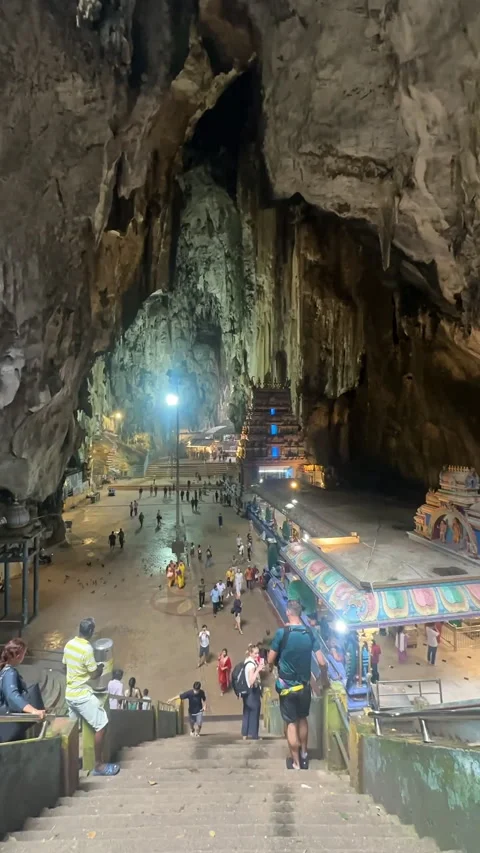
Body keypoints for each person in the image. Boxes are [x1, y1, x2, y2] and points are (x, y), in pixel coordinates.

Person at [268, 600, 329, 771]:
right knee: (303, 718)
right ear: (300, 613)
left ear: (288, 612)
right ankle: (304, 754)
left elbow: (270, 659)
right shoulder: (309, 633)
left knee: (291, 723)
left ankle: (295, 762)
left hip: (287, 687)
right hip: (304, 686)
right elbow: (322, 662)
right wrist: (323, 678)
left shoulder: (282, 633)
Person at [63, 618, 119, 775]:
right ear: (91, 632)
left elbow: (65, 666)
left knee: (72, 730)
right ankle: (99, 765)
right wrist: (101, 668)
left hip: (69, 694)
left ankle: (70, 766)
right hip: (81, 695)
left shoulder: (69, 644)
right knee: (101, 725)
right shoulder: (87, 649)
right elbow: (94, 675)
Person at [0, 638, 45, 743]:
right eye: (24, 654)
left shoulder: (2, 671)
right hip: (11, 726)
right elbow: (12, 695)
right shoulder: (10, 672)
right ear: (18, 655)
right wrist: (34, 711)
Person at [241, 644, 264, 740]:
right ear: (250, 653)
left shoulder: (247, 661)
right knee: (255, 712)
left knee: (246, 712)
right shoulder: (251, 665)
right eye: (255, 653)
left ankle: (244, 734)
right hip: (252, 691)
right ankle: (254, 735)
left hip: (246, 692)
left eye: (258, 653)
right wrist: (258, 669)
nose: (257, 655)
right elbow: (251, 681)